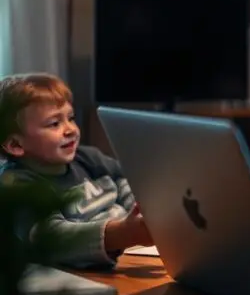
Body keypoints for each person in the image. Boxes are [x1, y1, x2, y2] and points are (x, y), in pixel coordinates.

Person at [0, 73, 153, 269]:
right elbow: (52, 238)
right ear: (15, 144)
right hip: (79, 274)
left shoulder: (88, 158)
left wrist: (142, 215)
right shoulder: (18, 186)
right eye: (54, 123)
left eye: (70, 118)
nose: (70, 129)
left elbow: (126, 180)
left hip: (132, 253)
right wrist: (122, 234)